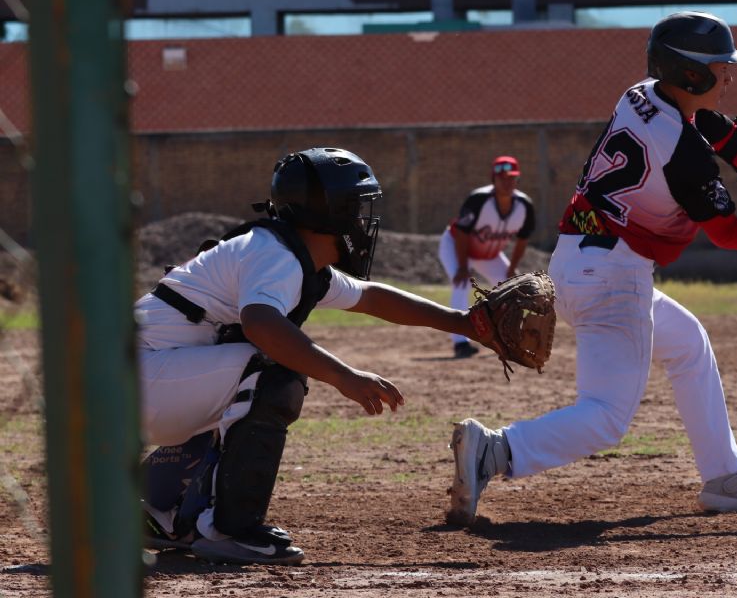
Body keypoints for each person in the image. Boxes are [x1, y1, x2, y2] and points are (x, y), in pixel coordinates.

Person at [446, 11, 737, 525]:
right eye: (720, 67)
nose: (730, 75)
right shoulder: (682, 152)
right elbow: (726, 232)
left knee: (687, 341)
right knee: (607, 418)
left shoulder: (644, 93)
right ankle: (495, 451)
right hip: (614, 276)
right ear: (691, 75)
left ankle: (725, 478)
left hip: (580, 260)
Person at [138, 147, 490, 565]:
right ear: (331, 211)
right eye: (357, 206)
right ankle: (230, 530)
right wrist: (344, 376)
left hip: (139, 380)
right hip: (141, 380)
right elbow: (262, 325)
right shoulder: (276, 255)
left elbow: (373, 298)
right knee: (272, 369)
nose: (363, 218)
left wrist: (466, 323)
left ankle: (153, 506)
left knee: (246, 378)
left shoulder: (290, 255)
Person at [438, 155, 536, 358]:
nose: (507, 182)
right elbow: (463, 234)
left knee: (513, 289)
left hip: (490, 255)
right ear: (494, 179)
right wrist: (463, 267)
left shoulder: (524, 205)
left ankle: (510, 337)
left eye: (512, 178)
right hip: (455, 245)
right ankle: (460, 344)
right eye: (502, 178)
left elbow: (522, 240)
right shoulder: (478, 200)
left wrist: (511, 269)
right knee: (461, 284)